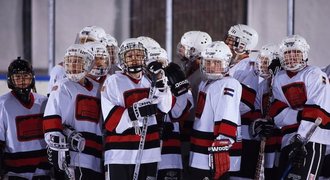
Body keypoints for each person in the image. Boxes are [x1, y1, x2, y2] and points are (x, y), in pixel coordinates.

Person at [101, 38, 172, 180]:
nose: (134, 60)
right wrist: (135, 112)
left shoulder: (150, 80)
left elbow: (165, 107)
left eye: (138, 55)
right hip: (119, 155)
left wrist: (162, 85)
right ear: (122, 59)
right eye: (129, 56)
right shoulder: (113, 81)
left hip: (149, 152)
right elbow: (111, 121)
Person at [269, 35, 330, 179]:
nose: (292, 57)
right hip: (288, 139)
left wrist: (301, 140)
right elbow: (277, 113)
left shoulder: (314, 74)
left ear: (304, 54)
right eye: (287, 53)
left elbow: (318, 112)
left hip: (313, 139)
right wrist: (298, 116)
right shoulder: (278, 78)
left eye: (296, 53)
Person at [43, 44, 104, 179]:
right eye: (70, 61)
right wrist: (58, 149)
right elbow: (51, 122)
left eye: (77, 61)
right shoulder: (62, 86)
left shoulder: (97, 88)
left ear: (88, 64)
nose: (73, 65)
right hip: (73, 160)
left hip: (96, 159)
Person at [188, 41, 242, 180]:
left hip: (213, 155)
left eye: (216, 62)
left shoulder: (229, 83)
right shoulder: (205, 83)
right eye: (208, 62)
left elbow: (227, 113)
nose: (211, 66)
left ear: (226, 63)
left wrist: (223, 143)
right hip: (200, 153)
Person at [0, 57, 51, 179]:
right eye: (17, 78)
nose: (22, 81)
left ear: (32, 78)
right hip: (14, 175)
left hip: (43, 174)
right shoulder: (2, 105)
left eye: (26, 77)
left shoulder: (44, 102)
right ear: (10, 80)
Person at [224, 24, 260, 179]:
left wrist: (221, 110)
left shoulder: (248, 67)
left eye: (232, 41)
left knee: (240, 175)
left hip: (244, 133)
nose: (227, 43)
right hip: (233, 130)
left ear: (244, 44)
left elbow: (245, 104)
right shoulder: (234, 65)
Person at [176, 31, 212, 176]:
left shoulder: (203, 74)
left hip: (193, 129)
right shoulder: (189, 69)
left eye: (185, 47)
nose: (181, 50)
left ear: (195, 50)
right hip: (185, 126)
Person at [252, 44, 282, 179]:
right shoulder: (262, 86)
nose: (262, 65)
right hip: (267, 140)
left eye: (266, 61)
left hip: (282, 139)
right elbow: (257, 111)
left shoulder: (281, 83)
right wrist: (258, 124)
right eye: (261, 61)